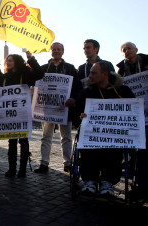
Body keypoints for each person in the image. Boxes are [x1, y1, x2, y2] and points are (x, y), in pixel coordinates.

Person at [75, 61, 135, 196]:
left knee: (114, 150)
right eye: (90, 72)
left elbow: (134, 113)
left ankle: (107, 182)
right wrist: (80, 117)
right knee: (88, 148)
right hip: (91, 135)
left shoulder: (123, 92)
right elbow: (75, 113)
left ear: (105, 74)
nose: (89, 76)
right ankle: (90, 180)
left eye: (93, 73)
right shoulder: (86, 92)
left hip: (115, 136)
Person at [35, 42, 80, 173]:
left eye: (58, 49)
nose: (56, 51)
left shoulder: (71, 68)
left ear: (62, 51)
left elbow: (77, 87)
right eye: (54, 49)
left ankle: (67, 163)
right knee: (46, 136)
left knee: (66, 137)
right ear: (51, 51)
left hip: (65, 108)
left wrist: (73, 99)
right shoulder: (43, 68)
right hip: (47, 108)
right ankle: (44, 163)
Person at [116, 42, 148, 201]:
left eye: (129, 49)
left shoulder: (146, 63)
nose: (126, 51)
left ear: (136, 50)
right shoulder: (120, 71)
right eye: (124, 50)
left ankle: (142, 184)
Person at [4, 52, 44, 177]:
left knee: (23, 141)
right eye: (7, 61)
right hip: (10, 113)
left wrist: (31, 59)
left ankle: (22, 169)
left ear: (16, 61)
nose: (8, 63)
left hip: (23, 112)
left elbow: (39, 73)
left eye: (10, 60)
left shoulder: (25, 74)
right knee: (11, 141)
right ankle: (12, 169)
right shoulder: (5, 76)